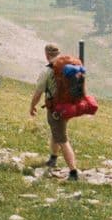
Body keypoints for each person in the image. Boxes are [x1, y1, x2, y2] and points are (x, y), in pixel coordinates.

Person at [28, 42, 79, 180]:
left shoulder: (48, 70)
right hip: (70, 105)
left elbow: (38, 92)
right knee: (56, 132)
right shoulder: (70, 66)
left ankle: (73, 172)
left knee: (62, 139)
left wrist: (32, 106)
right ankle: (53, 158)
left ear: (47, 54)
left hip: (57, 108)